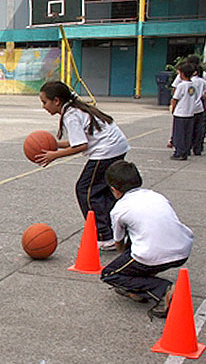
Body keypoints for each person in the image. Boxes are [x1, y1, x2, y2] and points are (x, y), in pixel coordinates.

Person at [36, 81, 130, 251]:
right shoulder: (76, 108)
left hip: (106, 151)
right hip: (116, 147)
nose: (43, 107)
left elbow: (81, 146)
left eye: (44, 102)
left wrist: (54, 155)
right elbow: (77, 141)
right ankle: (118, 231)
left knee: (85, 189)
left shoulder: (71, 115)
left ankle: (105, 236)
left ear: (56, 101)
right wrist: (55, 145)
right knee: (104, 192)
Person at [100, 160, 193, 319]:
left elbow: (118, 242)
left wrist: (124, 259)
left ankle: (163, 289)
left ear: (114, 190)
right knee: (138, 242)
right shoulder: (156, 196)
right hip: (183, 249)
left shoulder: (119, 209)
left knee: (110, 274)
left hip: (152, 255)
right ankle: (138, 285)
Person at [169, 63, 198, 160]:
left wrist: (173, 109)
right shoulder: (193, 85)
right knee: (187, 134)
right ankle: (185, 151)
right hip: (190, 113)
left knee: (179, 134)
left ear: (182, 74)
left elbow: (175, 99)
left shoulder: (181, 86)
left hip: (180, 113)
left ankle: (179, 152)